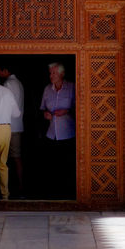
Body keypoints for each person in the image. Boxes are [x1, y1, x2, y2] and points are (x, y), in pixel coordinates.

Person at [40, 61, 76, 198]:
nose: (51, 76)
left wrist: (67, 111)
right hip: (51, 134)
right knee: (53, 167)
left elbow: (81, 108)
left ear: (62, 73)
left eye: (54, 73)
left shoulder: (72, 87)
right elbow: (42, 109)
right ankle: (53, 194)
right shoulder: (47, 89)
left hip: (68, 134)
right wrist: (46, 114)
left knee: (67, 166)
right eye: (50, 73)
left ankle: (68, 194)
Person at [0, 67, 21, 202]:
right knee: (3, 163)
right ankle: (5, 194)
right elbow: (16, 114)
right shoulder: (7, 92)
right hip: (6, 130)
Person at [0, 63, 25, 197]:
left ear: (5, 70)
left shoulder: (8, 84)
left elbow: (8, 108)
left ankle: (12, 188)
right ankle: (19, 186)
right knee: (16, 158)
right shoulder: (18, 83)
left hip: (9, 127)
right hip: (17, 126)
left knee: (7, 160)